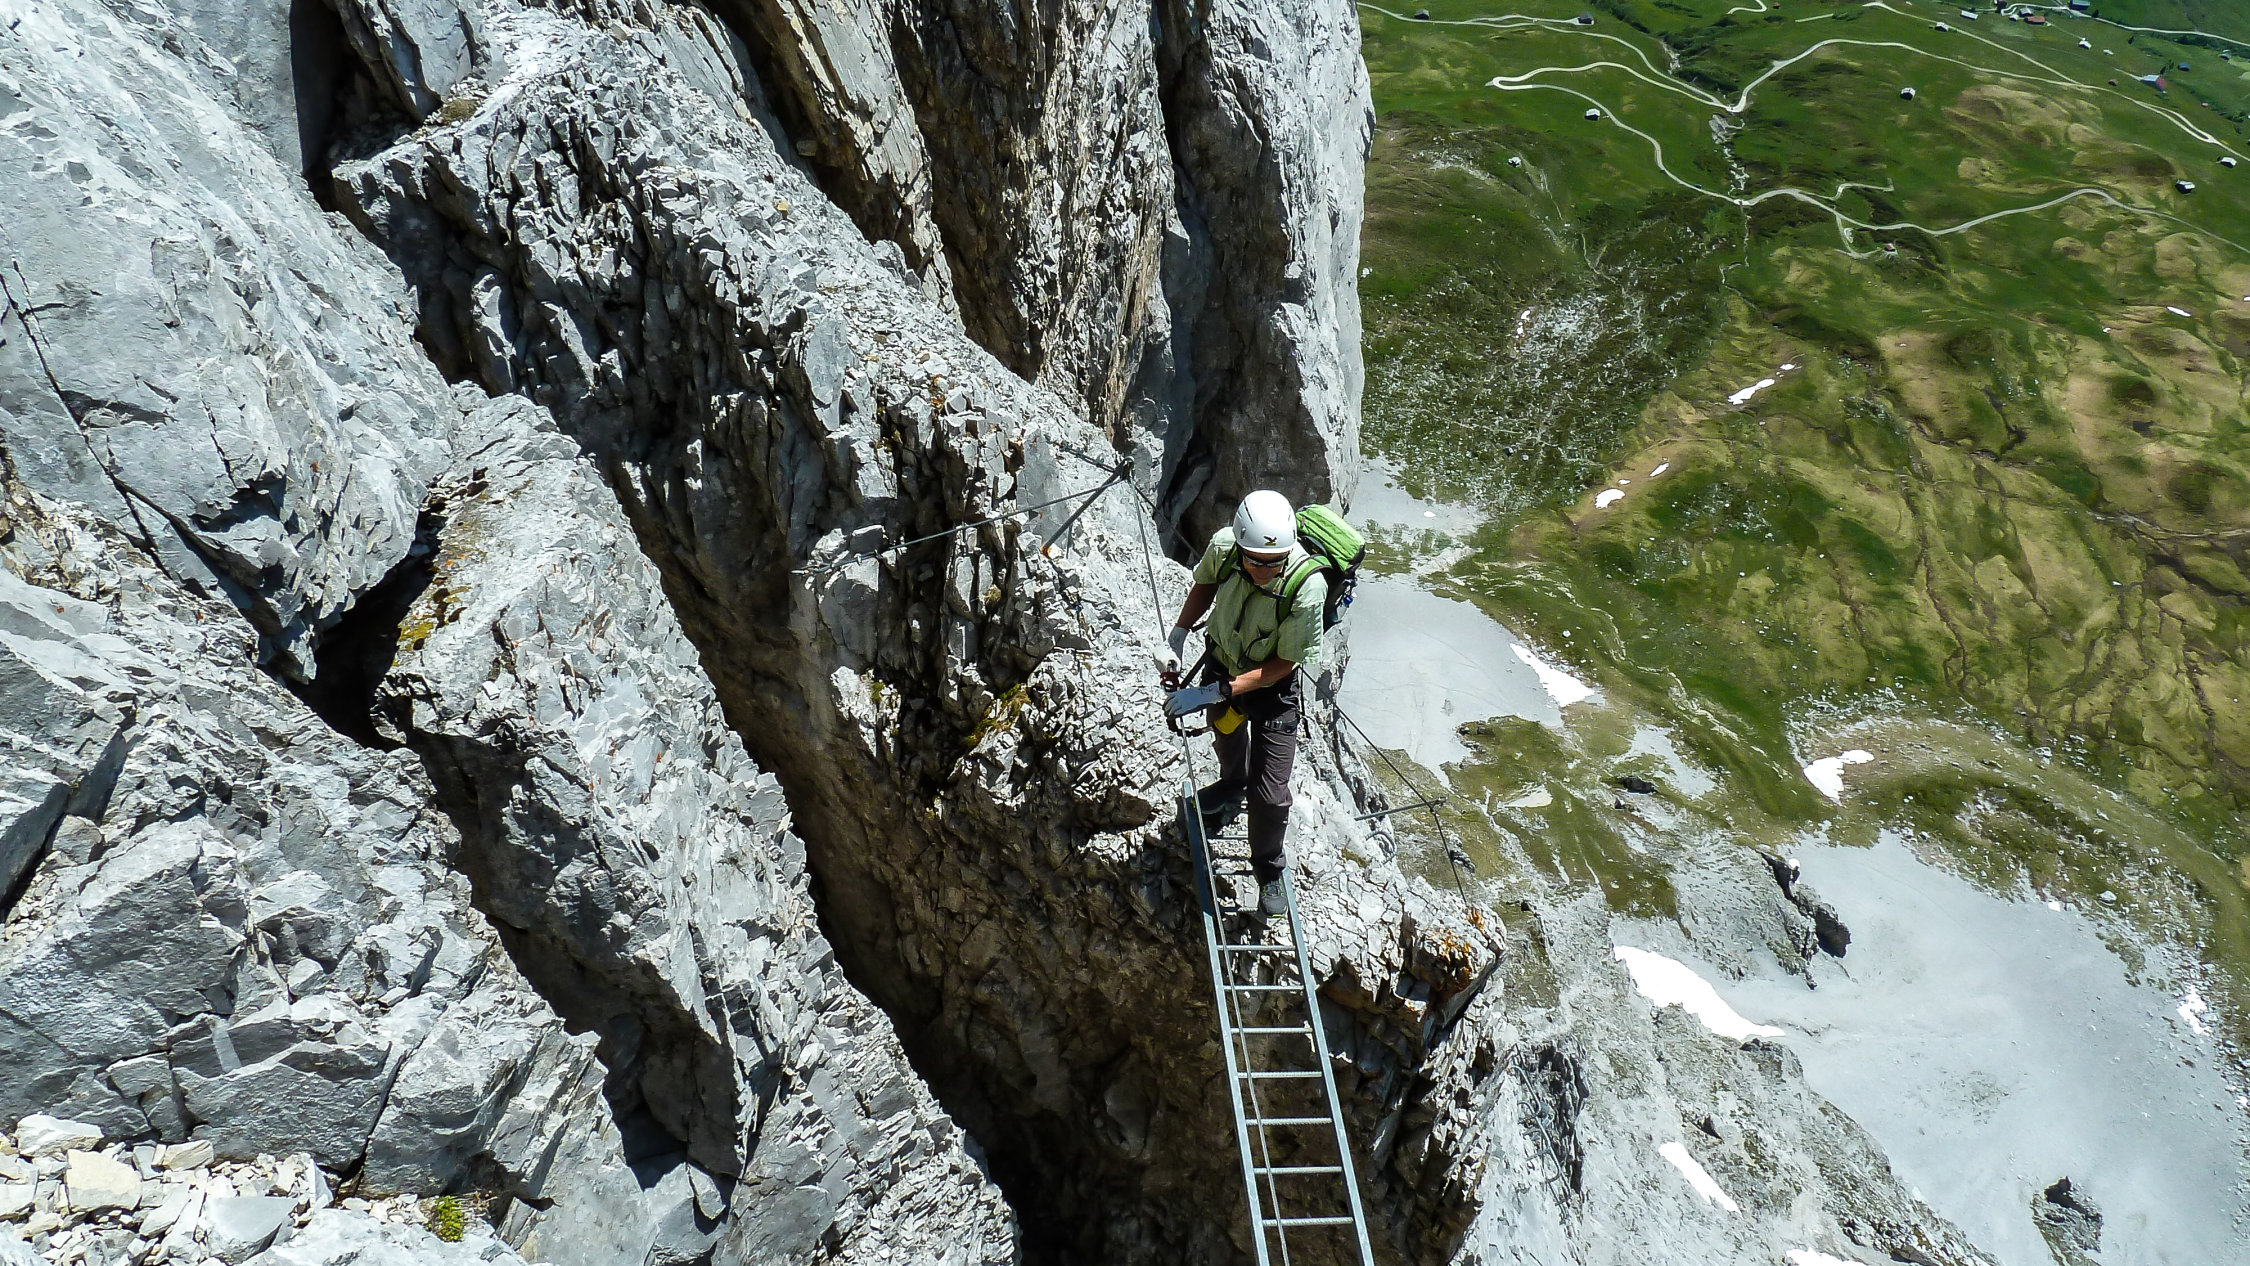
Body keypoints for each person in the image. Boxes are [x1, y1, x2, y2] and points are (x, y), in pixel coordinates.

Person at [1163, 490, 1326, 917]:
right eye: (1255, 560)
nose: (1265, 570)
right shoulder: (1224, 549)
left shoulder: (1307, 588)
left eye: (1275, 562)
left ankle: (1269, 868)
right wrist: (1179, 634)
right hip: (1224, 662)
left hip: (1272, 690)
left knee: (1270, 796)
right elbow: (1204, 585)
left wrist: (1218, 691)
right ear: (1239, 545)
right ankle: (1232, 786)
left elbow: (1285, 663)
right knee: (1225, 731)